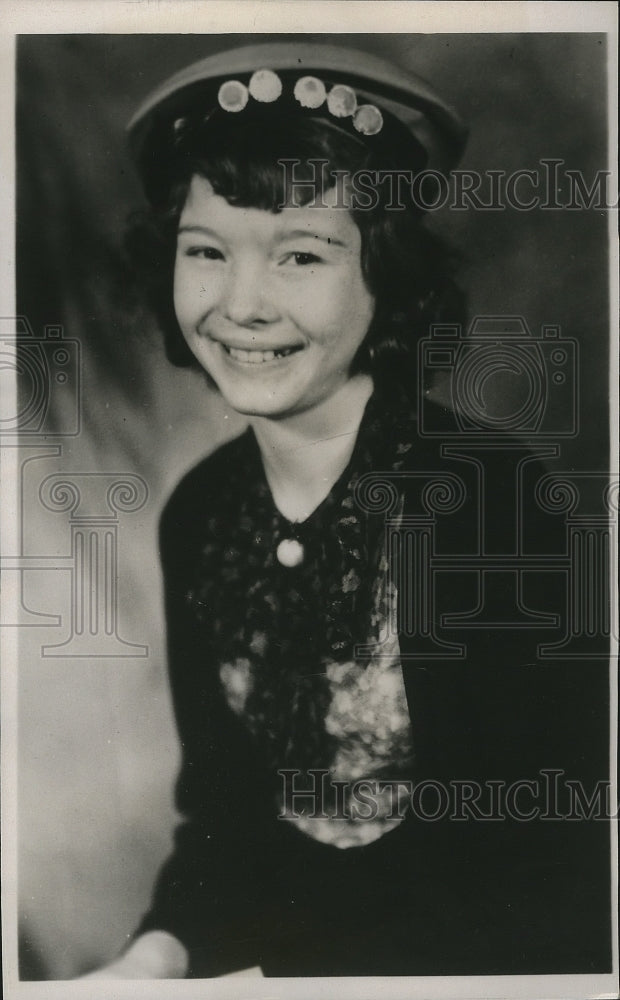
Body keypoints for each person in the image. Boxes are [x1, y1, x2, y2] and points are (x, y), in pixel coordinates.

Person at [84, 42, 611, 979]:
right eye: (206, 251)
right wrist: (150, 962)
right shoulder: (200, 518)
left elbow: (558, 879)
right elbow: (226, 825)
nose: (241, 303)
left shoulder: (494, 506)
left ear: (388, 272)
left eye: (300, 254)